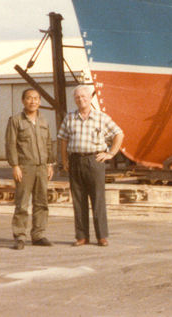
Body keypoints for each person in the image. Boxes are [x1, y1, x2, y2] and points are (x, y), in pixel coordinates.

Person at [58, 85, 123, 247]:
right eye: (78, 97)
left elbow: (119, 133)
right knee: (78, 200)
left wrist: (111, 153)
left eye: (84, 97)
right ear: (75, 100)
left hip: (94, 161)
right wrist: (65, 160)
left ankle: (102, 236)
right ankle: (81, 236)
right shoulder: (69, 118)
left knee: (98, 198)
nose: (81, 100)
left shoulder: (101, 117)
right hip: (75, 161)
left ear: (90, 98)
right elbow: (63, 140)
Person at [6, 88, 55, 250]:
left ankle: (38, 235)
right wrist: (15, 166)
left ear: (40, 102)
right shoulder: (15, 120)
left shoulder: (44, 121)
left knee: (42, 202)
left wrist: (49, 164)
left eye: (36, 98)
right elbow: (10, 144)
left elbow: (48, 143)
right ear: (23, 101)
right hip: (25, 167)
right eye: (29, 98)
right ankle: (20, 236)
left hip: (42, 167)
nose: (33, 101)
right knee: (22, 203)